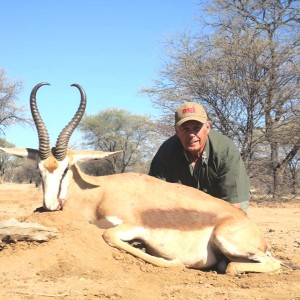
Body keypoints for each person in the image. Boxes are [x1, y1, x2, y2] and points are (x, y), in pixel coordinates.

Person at [149, 102, 250, 213]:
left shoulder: (225, 150)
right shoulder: (166, 152)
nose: (191, 134)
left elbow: (234, 203)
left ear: (207, 128)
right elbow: (154, 196)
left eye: (196, 128)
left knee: (235, 221)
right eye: (185, 129)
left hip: (220, 207)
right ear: (177, 131)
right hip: (182, 210)